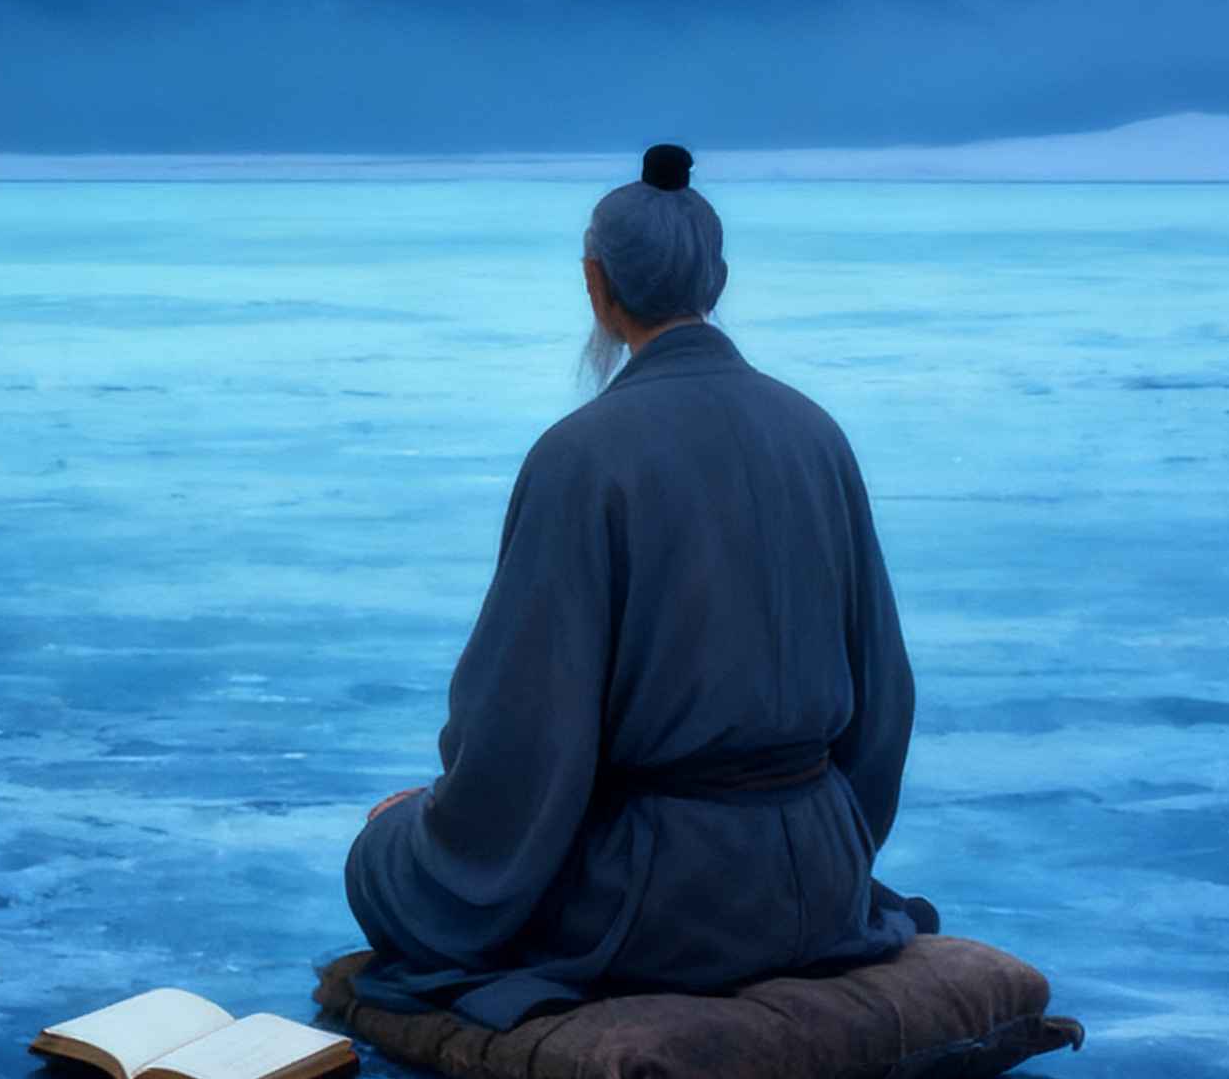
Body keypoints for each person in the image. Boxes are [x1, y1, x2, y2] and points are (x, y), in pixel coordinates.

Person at [341, 143, 930, 1026]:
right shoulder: (816, 434)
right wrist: (836, 847)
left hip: (660, 902)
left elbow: (521, 731)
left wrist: (432, 823)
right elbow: (884, 702)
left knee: (381, 855)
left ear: (596, 286)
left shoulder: (581, 457)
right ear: (718, 277)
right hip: (823, 873)